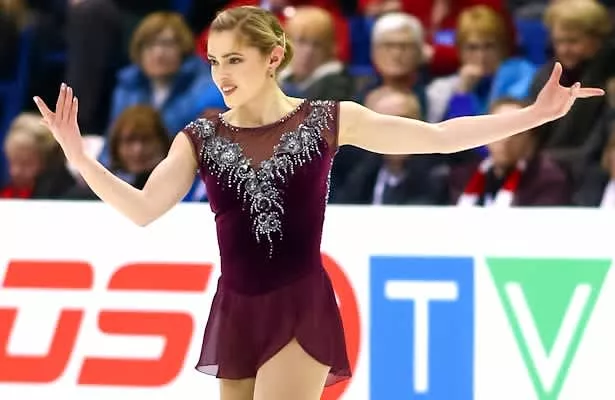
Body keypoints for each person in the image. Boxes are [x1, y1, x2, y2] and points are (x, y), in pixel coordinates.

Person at [32, 5, 603, 400]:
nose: (222, 74)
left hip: (298, 305)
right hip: (235, 308)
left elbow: (436, 137)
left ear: (273, 57)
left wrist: (534, 115)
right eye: (214, 61)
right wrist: (79, 156)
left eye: (235, 59)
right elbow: (142, 209)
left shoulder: (327, 119)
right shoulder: (200, 136)